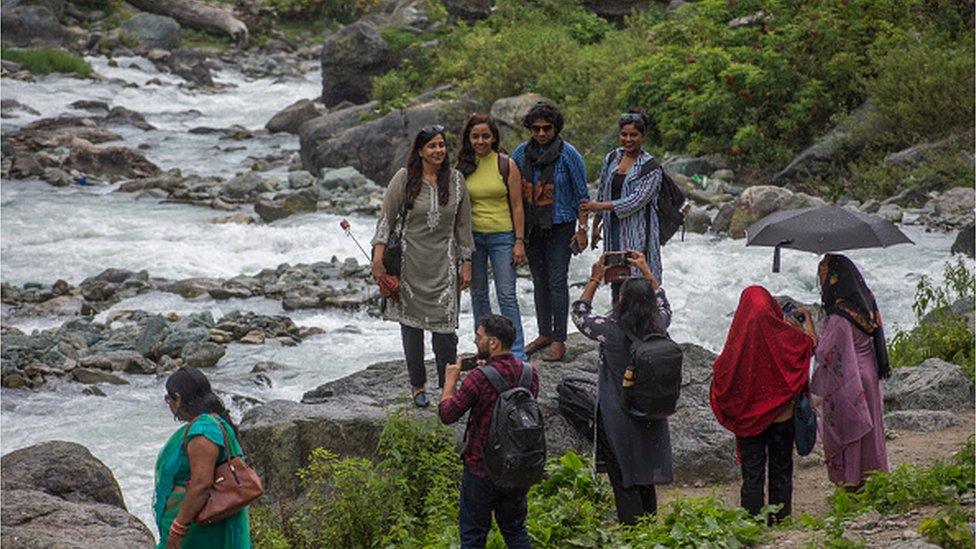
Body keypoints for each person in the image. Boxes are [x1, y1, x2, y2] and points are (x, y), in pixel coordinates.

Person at [371, 125, 475, 407]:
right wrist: (378, 259)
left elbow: (463, 226)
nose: (438, 150)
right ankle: (418, 386)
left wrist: (467, 263)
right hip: (409, 263)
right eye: (432, 146)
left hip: (444, 264)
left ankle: (447, 386)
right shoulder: (404, 179)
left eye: (442, 145)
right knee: (411, 328)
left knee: (445, 330)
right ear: (420, 151)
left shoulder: (455, 181)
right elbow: (386, 219)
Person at [570, 251, 674, 525]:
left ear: (621, 301)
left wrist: (594, 278)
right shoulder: (659, 325)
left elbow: (580, 313)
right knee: (645, 474)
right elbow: (665, 304)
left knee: (623, 476)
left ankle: (632, 532)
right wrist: (648, 272)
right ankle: (650, 530)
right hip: (651, 411)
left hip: (617, 413)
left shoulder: (608, 329)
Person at [710, 286, 816, 524]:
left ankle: (752, 522)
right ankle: (781, 519)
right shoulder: (784, 335)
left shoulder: (737, 341)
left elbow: (722, 374)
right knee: (781, 469)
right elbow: (810, 345)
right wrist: (806, 318)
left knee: (752, 473)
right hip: (782, 416)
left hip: (748, 422)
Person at [438, 314, 539, 549]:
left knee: (473, 536)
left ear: (493, 343)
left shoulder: (478, 378)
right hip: (516, 467)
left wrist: (449, 383)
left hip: (480, 468)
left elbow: (448, 415)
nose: (475, 342)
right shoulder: (529, 373)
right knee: (515, 531)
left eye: (479, 337)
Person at [511, 102, 590, 362]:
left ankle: (559, 338)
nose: (542, 134)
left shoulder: (569, 155)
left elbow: (582, 196)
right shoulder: (521, 154)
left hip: (561, 225)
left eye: (547, 128)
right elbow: (511, 191)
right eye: (537, 129)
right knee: (539, 281)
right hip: (532, 225)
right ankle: (544, 332)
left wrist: (582, 229)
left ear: (556, 128)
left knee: (557, 281)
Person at [810, 254, 890, 489]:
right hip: (869, 373)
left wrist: (808, 329)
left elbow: (825, 352)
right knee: (870, 426)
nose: (822, 282)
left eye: (823, 277)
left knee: (851, 428)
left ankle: (852, 480)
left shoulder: (839, 317)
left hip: (849, 379)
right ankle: (872, 476)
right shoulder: (866, 303)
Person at [456, 113, 528, 361]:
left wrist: (519, 241)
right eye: (475, 136)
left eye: (485, 136)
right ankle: (484, 350)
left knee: (506, 294)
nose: (480, 141)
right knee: (478, 295)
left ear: (494, 137)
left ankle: (515, 352)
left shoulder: (506, 164)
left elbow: (517, 205)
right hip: (473, 239)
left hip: (502, 236)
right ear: (468, 138)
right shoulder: (462, 168)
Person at [154, 367, 251, 549]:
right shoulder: (213, 422)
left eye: (169, 399)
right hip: (198, 519)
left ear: (178, 397)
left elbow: (201, 483)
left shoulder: (203, 432)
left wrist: (179, 526)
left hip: (196, 525)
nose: (169, 405)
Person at [582, 108, 664, 305]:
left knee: (638, 280)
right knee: (615, 276)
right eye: (624, 134)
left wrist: (598, 206)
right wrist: (595, 226)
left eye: (634, 135)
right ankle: (618, 322)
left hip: (638, 233)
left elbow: (635, 201)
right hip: (613, 232)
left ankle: (641, 326)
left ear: (643, 136)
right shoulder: (612, 158)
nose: (628, 139)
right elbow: (603, 189)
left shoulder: (650, 167)